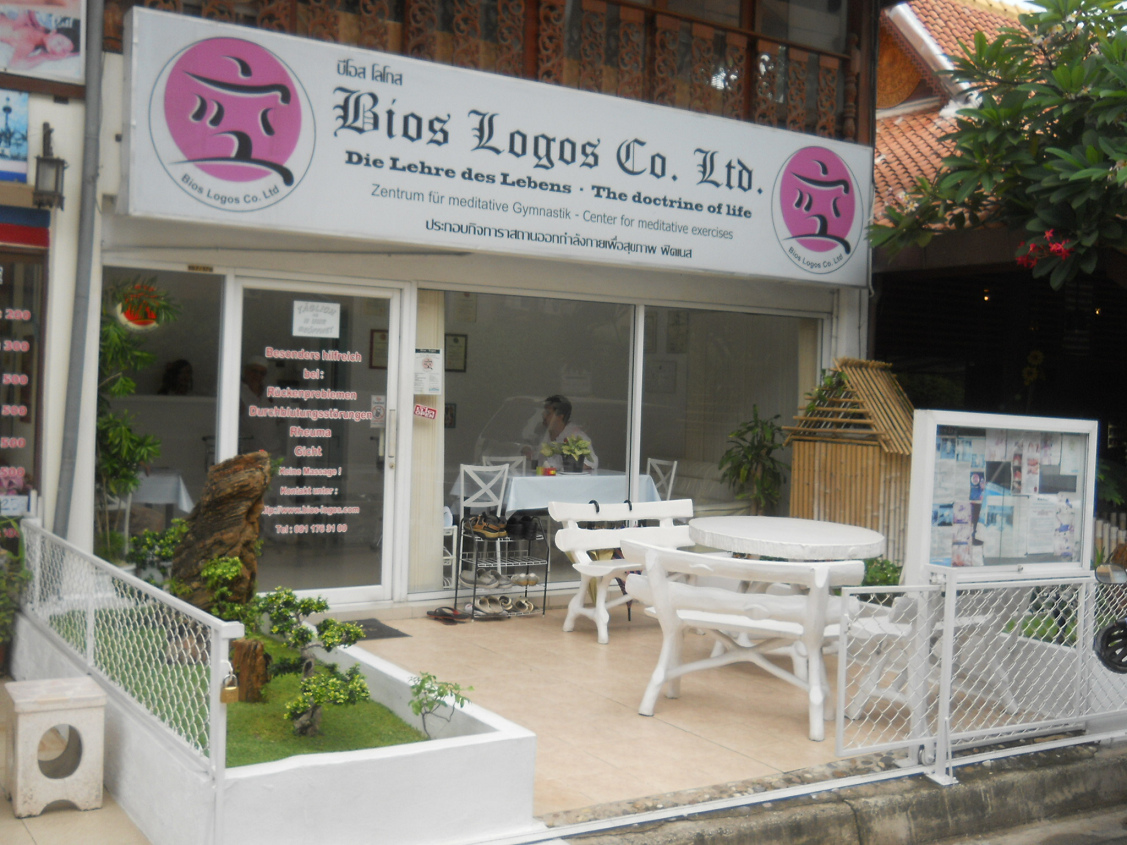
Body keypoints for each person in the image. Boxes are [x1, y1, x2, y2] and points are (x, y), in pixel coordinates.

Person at [527, 394, 598, 472]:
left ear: (560, 416)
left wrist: (566, 468)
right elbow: (534, 453)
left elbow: (592, 462)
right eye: (544, 412)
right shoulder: (543, 433)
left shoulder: (577, 436)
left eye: (548, 412)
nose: (543, 415)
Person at [0, 11, 79, 71]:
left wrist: (67, 54)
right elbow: (15, 64)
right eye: (59, 42)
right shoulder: (30, 40)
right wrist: (44, 57)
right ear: (53, 32)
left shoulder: (40, 29)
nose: (57, 49)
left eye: (63, 51)